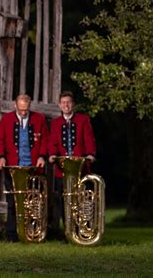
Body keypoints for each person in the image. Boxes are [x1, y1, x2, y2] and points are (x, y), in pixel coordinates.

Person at [0, 94, 49, 242]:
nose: (24, 113)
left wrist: (42, 156)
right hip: (12, 168)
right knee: (12, 202)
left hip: (32, 168)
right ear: (15, 106)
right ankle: (12, 235)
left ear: (29, 106)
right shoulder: (6, 119)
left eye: (26, 109)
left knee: (32, 202)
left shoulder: (39, 118)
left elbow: (45, 139)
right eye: (21, 109)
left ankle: (31, 233)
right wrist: (1, 156)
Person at [48, 91, 96, 237]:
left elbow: (89, 139)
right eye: (63, 103)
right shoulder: (55, 123)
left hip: (80, 167)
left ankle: (84, 231)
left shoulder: (83, 120)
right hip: (62, 169)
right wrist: (52, 154)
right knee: (64, 201)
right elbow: (53, 143)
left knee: (83, 200)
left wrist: (91, 154)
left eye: (68, 102)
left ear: (73, 104)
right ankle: (68, 232)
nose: (66, 105)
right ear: (59, 105)